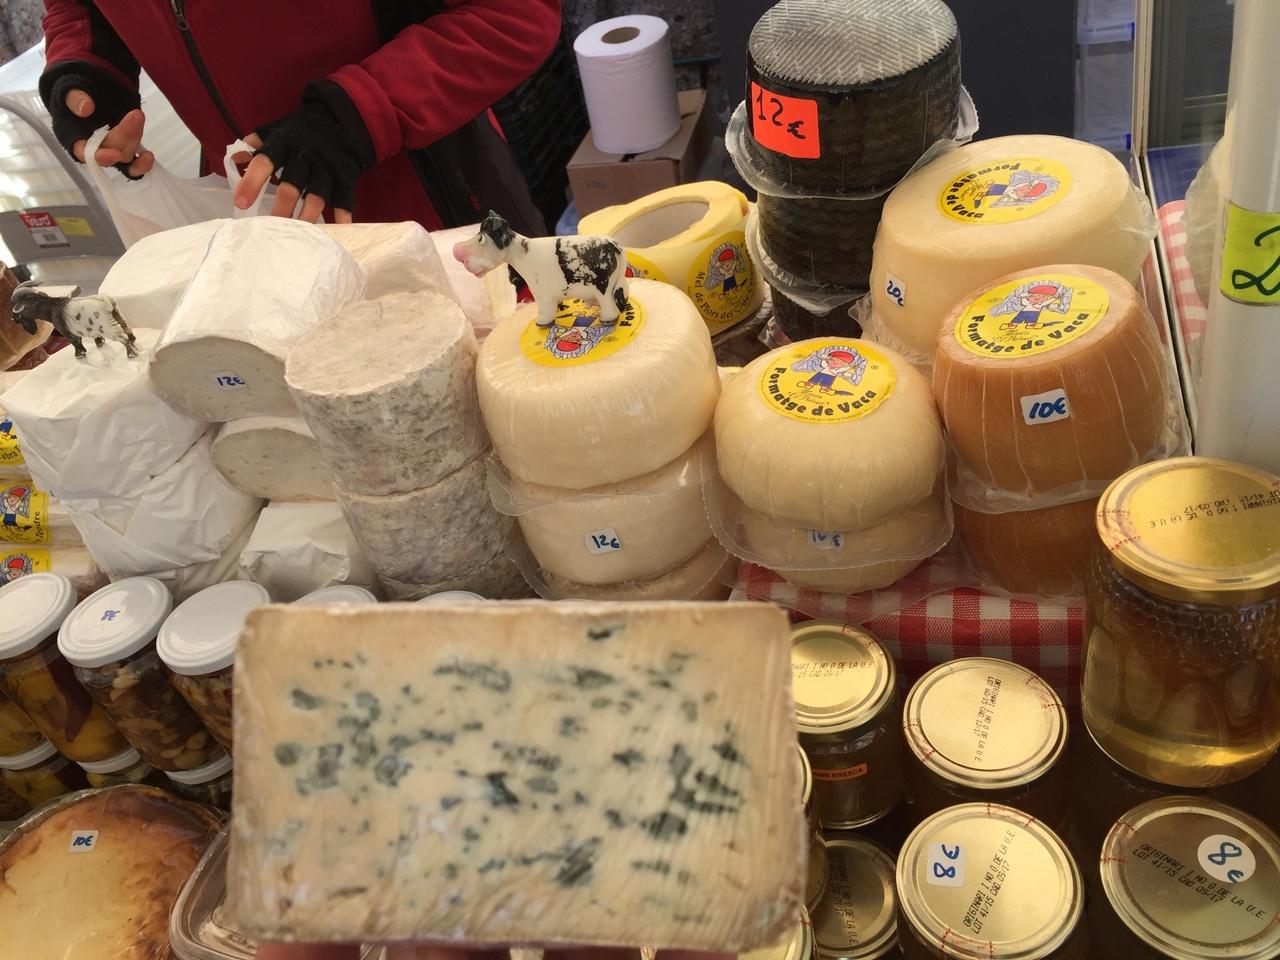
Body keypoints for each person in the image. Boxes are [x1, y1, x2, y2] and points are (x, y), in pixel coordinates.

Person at [38, 0, 560, 232]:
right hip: (255, 218)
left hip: (426, 198)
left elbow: (515, 13)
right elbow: (76, 7)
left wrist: (356, 113)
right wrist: (86, 67)